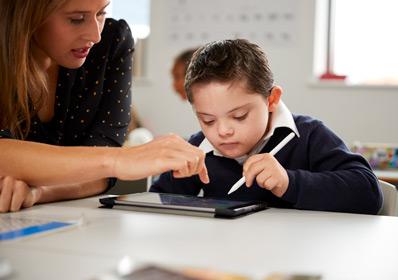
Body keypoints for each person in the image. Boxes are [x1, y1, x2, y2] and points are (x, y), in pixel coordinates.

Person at [0, 0, 209, 213]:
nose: (94, 36)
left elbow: (101, 173)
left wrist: (37, 192)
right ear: (27, 14)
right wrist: (121, 159)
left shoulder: (111, 40)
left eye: (101, 13)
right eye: (76, 19)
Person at [150, 39, 382, 214]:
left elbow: (369, 194)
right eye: (207, 120)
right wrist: (174, 176)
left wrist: (289, 182)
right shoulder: (199, 147)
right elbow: (155, 205)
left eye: (239, 116)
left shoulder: (308, 135)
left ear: (272, 99)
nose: (222, 131)